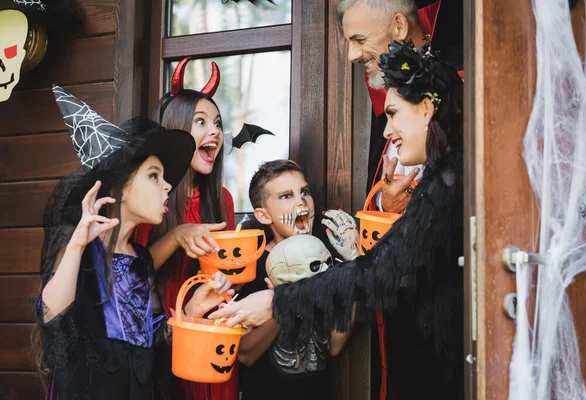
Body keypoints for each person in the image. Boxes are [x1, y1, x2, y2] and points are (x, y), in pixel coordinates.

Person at [210, 40, 465, 399]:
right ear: (262, 213)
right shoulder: (446, 176)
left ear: (426, 109)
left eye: (392, 113)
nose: (387, 130)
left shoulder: (453, 178)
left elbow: (381, 271)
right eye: (285, 196)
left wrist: (278, 301)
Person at [36, 86, 234, 399]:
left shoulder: (140, 260)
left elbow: (151, 344)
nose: (168, 184)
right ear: (122, 188)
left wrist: (192, 310)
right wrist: (76, 245)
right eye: (154, 176)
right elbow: (50, 315)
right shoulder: (83, 250)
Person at [133, 58, 238, 400]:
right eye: (201, 122)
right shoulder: (151, 198)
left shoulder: (222, 198)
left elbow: (229, 269)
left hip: (216, 337)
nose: (215, 132)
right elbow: (133, 270)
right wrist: (178, 237)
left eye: (218, 123)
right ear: (177, 132)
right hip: (166, 340)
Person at [235, 159, 351, 400]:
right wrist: (284, 302)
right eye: (286, 196)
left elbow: (335, 345)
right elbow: (244, 354)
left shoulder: (325, 261)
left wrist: (353, 266)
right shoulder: (251, 268)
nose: (301, 201)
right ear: (263, 215)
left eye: (304, 192)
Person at [337, 0, 463, 213]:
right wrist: (387, 205)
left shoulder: (464, 94)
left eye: (360, 40)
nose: (352, 56)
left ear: (399, 26)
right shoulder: (388, 105)